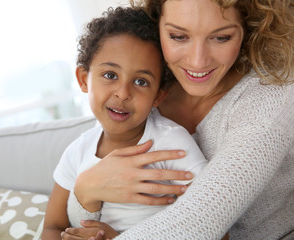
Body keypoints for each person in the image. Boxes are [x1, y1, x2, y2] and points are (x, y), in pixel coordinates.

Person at [62, 0, 294, 239]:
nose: (198, 61)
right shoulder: (143, 88)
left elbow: (200, 219)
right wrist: (84, 189)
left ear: (249, 28)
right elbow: (74, 217)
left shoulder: (274, 95)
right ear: (157, 24)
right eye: (178, 36)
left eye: (222, 37)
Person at [42, 6, 208, 240]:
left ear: (158, 96)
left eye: (141, 81)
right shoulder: (77, 152)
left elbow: (211, 226)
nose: (123, 93)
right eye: (110, 75)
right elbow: (51, 228)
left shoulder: (171, 145)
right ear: (83, 79)